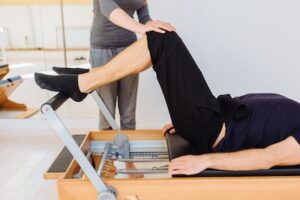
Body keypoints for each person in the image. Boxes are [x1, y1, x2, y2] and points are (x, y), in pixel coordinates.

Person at [35, 31, 300, 175]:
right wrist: (186, 117)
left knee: (162, 40)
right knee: (161, 36)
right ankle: (88, 79)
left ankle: (83, 84)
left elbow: (267, 158)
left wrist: (204, 161)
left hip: (212, 128)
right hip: (211, 114)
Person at [54, 0, 175, 130]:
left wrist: (154, 25)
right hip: (102, 49)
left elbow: (144, 17)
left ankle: (127, 146)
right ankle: (107, 147)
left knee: (128, 111)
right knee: (107, 110)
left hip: (129, 48)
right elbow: (108, 9)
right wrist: (143, 29)